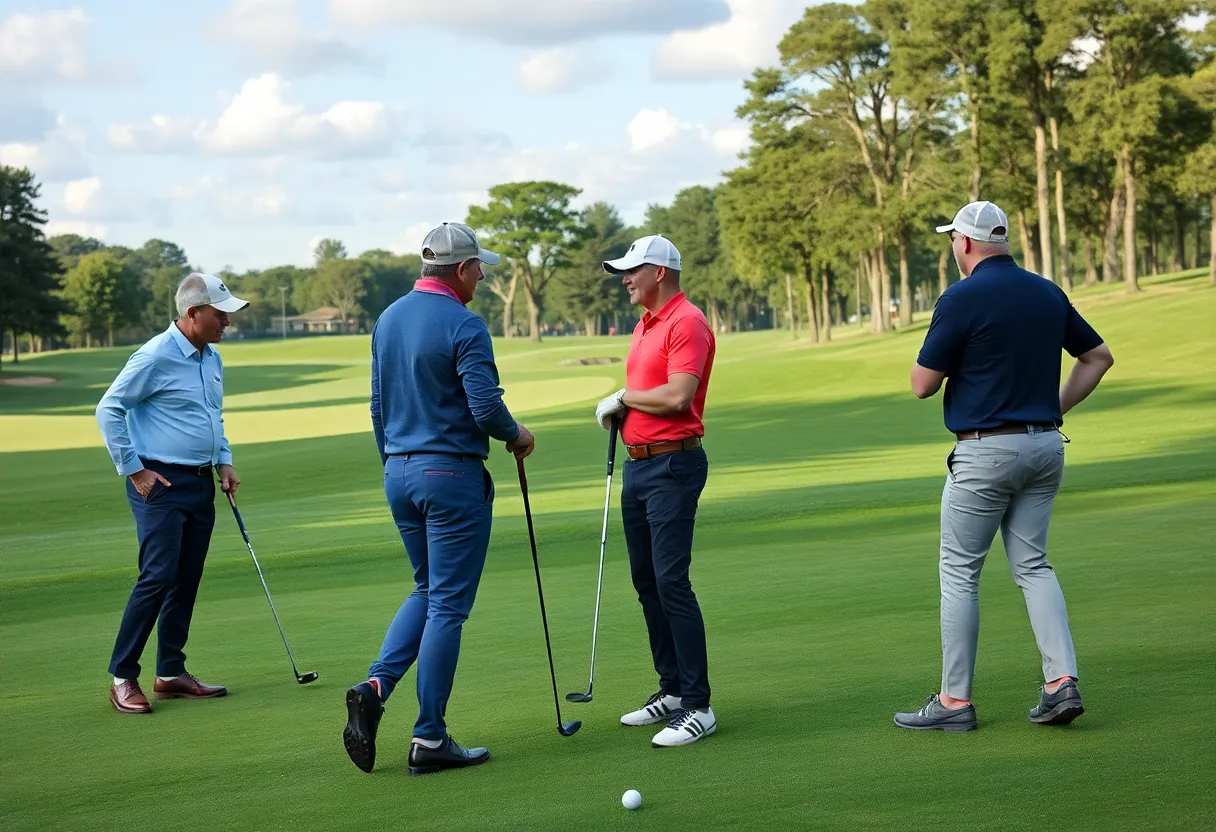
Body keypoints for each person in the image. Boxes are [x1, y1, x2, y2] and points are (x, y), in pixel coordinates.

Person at [894, 200, 1114, 732]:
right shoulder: (1047, 291)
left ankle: (953, 703)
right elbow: (1098, 357)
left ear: (965, 243)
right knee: (1033, 565)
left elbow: (923, 385)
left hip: (984, 451)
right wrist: (1052, 409)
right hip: (1044, 446)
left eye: (952, 240)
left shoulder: (961, 297)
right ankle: (1062, 683)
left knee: (960, 573)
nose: (952, 248)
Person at [342, 222, 536, 777]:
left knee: (428, 589)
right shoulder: (465, 323)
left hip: (399, 472)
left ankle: (375, 686)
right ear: (459, 270)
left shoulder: (388, 319)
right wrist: (517, 435)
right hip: (450, 476)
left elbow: (378, 407)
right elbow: (485, 408)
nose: (481, 275)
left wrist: (393, 460)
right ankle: (428, 738)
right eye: (478, 268)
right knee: (448, 603)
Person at [95, 273, 249, 714]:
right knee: (158, 576)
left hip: (201, 482)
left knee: (187, 578)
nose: (227, 323)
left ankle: (170, 672)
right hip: (159, 483)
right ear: (193, 314)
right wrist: (134, 470)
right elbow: (109, 409)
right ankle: (123, 676)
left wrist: (224, 460)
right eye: (220, 315)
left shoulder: (211, 358)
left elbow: (212, 417)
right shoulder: (155, 356)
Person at [595, 234, 718, 748]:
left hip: (674, 465)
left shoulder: (686, 322)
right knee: (647, 582)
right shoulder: (645, 324)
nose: (625, 278)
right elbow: (653, 396)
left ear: (659, 272)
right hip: (639, 468)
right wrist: (626, 411)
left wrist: (625, 397)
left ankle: (698, 706)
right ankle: (670, 690)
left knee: (671, 581)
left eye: (632, 270)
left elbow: (677, 395)